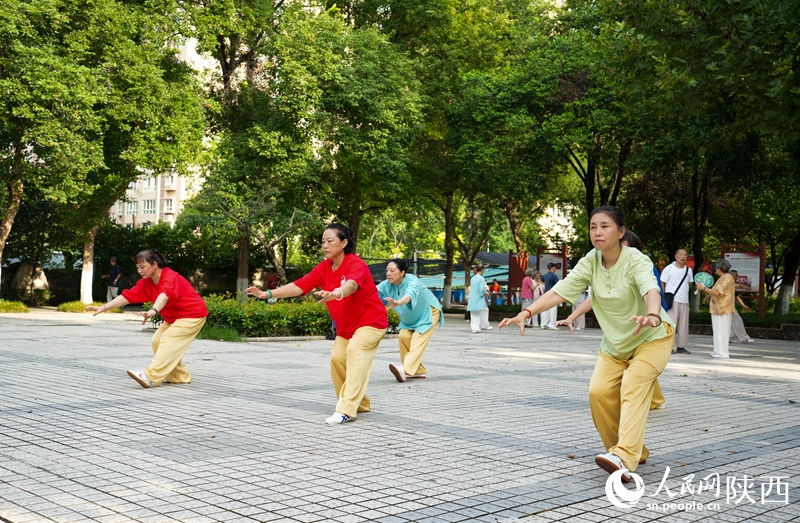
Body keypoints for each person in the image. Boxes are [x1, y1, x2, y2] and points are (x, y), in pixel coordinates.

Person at [500, 206, 674, 483]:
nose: (597, 232)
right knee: (598, 393)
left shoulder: (636, 259)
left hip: (652, 338)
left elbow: (650, 288)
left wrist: (652, 314)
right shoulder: (590, 261)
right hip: (616, 344)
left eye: (605, 226)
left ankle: (624, 455)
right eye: (593, 226)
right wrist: (526, 312)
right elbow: (560, 292)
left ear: (621, 232)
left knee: (633, 385)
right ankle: (634, 449)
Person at [246, 223, 388, 425]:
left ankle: (346, 409)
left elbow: (351, 285)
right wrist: (267, 293)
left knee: (355, 351)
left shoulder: (356, 264)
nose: (325, 245)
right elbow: (299, 285)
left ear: (344, 242)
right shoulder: (324, 267)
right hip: (346, 328)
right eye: (323, 241)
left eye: (330, 241)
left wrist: (336, 293)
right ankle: (360, 402)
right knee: (337, 359)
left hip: (371, 323)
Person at [556, 229, 667, 410]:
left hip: (645, 327)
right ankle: (654, 400)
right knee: (633, 369)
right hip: (621, 329)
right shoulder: (603, 267)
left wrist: (653, 317)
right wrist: (572, 317)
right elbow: (595, 298)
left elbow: (653, 295)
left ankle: (648, 402)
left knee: (638, 369)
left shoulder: (641, 265)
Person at [85, 249, 208, 388]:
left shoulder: (170, 277)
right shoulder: (147, 282)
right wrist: (105, 307)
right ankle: (179, 376)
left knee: (168, 339)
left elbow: (165, 294)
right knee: (157, 341)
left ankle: (151, 376)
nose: (139, 271)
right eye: (137, 267)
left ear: (154, 264)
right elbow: (128, 296)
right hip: (174, 318)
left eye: (142, 267)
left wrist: (153, 310)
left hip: (192, 315)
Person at [377, 260, 443, 382]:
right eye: (387, 270)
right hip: (410, 318)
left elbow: (410, 294)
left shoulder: (412, 281)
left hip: (428, 312)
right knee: (403, 336)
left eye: (392, 271)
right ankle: (418, 370)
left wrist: (399, 302)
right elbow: (371, 292)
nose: (388, 273)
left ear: (402, 272)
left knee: (418, 338)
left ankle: (405, 369)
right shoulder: (386, 284)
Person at [696, 259, 735, 358]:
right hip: (718, 307)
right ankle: (718, 351)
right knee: (718, 330)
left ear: (718, 268)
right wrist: (708, 295)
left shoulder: (726, 277)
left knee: (722, 331)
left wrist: (703, 289)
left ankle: (723, 353)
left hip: (723, 308)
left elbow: (718, 292)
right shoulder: (723, 277)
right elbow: (715, 291)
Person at [661, 248, 693, 354]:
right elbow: (662, 282)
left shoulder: (689, 270)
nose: (683, 256)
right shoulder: (669, 269)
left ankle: (681, 346)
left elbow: (688, 284)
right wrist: (664, 296)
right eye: (681, 254)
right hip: (672, 300)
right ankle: (669, 346)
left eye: (685, 255)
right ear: (676, 256)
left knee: (683, 325)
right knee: (671, 323)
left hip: (684, 300)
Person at [728, 270, 754, 344]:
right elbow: (739, 286)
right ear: (732, 275)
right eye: (736, 275)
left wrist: (743, 305)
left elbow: (736, 296)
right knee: (738, 320)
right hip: (727, 306)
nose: (737, 276)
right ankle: (745, 338)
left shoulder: (728, 283)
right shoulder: (728, 283)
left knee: (732, 322)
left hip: (729, 306)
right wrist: (747, 287)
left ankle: (730, 337)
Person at [467, 264, 491, 333]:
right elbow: (481, 290)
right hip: (479, 298)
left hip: (472, 298)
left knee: (474, 314)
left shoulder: (472, 278)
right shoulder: (481, 279)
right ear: (482, 270)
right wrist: (486, 293)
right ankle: (484, 325)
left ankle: (474, 328)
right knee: (482, 311)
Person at [541, 263, 560, 330]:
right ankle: (552, 324)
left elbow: (541, 280)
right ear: (553, 268)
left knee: (545, 309)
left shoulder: (545, 275)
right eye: (555, 268)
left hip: (546, 293)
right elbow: (558, 284)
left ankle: (543, 324)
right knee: (553, 309)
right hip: (552, 294)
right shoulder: (554, 276)